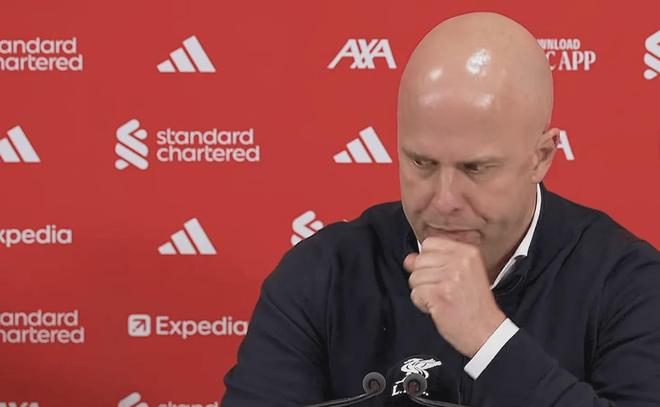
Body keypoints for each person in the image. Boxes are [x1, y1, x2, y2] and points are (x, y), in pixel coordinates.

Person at [221, 12, 660, 406]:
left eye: (475, 168)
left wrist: (489, 341)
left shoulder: (627, 281)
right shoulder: (323, 273)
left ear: (541, 157)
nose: (444, 200)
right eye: (422, 163)